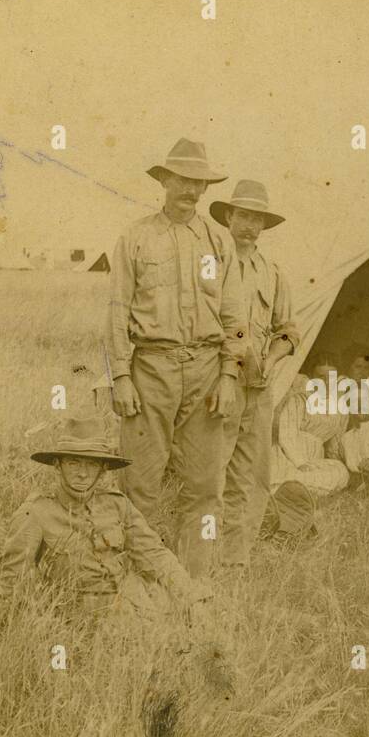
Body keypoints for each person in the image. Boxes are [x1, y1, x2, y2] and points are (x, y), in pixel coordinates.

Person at [0, 412, 232, 737]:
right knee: (104, 693)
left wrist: (190, 595)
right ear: (58, 465)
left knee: (192, 658)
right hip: (77, 621)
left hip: (133, 608)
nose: (81, 473)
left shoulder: (118, 505)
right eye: (73, 462)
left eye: (90, 465)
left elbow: (152, 553)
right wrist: (9, 638)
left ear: (102, 470)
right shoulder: (36, 514)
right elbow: (8, 581)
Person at [106, 137, 245, 580]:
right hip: (151, 370)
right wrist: (121, 377)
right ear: (164, 180)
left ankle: (194, 584)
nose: (190, 189)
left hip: (206, 372)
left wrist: (228, 375)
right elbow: (116, 312)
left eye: (199, 182)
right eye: (182, 179)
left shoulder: (218, 241)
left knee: (206, 488)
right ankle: (142, 583)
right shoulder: (136, 238)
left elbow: (235, 316)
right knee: (139, 484)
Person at [210, 180, 300, 569]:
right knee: (211, 474)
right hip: (219, 382)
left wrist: (274, 357)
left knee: (252, 476)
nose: (249, 225)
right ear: (229, 216)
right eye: (243, 215)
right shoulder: (211, 262)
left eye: (257, 218)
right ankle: (204, 557)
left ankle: (236, 561)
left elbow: (288, 329)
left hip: (258, 390)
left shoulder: (273, 272)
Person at [264, 355, 350, 543]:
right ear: (312, 378)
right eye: (321, 377)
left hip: (314, 459)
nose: (326, 382)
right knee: (288, 474)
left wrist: (335, 462)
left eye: (331, 377)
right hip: (289, 455)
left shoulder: (340, 407)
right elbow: (286, 434)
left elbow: (335, 443)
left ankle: (285, 494)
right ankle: (283, 494)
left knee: (341, 472)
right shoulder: (299, 400)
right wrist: (301, 463)